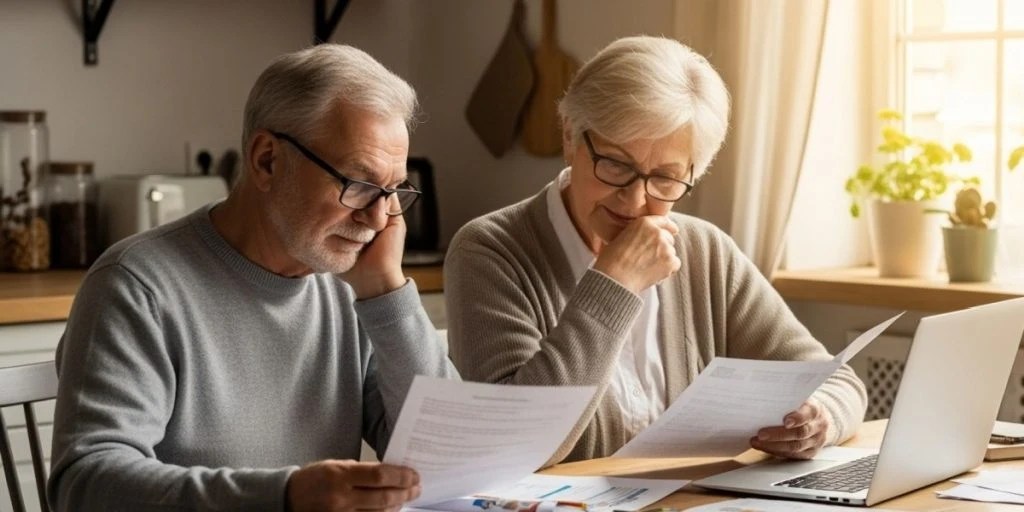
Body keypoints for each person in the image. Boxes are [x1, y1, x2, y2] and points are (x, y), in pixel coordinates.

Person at [47, 44, 458, 512]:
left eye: (393, 191)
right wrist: (283, 497)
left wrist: (387, 293)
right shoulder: (137, 285)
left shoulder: (350, 282)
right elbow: (84, 486)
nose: (379, 219)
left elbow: (446, 461)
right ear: (266, 160)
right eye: (358, 184)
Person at [444, 36, 867, 465]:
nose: (634, 201)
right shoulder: (489, 251)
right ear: (571, 137)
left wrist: (820, 420)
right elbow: (511, 447)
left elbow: (838, 381)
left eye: (665, 178)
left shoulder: (705, 252)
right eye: (615, 164)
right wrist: (614, 285)